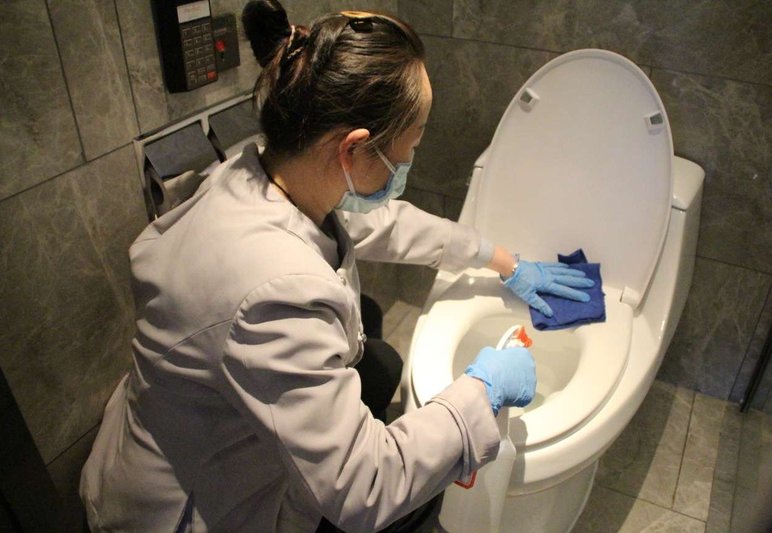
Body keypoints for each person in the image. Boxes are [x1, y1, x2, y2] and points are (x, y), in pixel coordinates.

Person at [79, 2, 594, 531]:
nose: (408, 164)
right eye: (411, 146)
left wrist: (503, 260)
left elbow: (385, 223)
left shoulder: (268, 171)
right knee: (419, 502)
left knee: (381, 363)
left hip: (189, 427)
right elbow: (366, 488)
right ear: (353, 150)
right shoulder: (271, 296)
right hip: (191, 508)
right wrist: (483, 392)